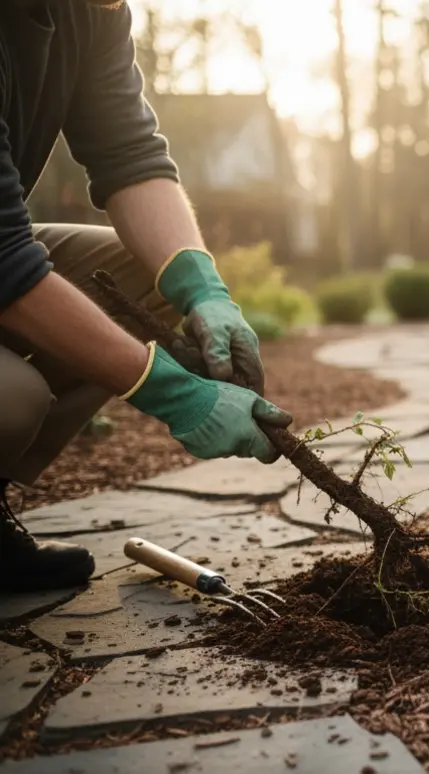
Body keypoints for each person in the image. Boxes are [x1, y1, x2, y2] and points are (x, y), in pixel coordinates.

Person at [0, 0, 293, 594]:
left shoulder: (90, 10)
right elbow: (4, 259)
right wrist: (174, 395)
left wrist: (204, 291)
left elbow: (130, 156)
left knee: (150, 289)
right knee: (12, 397)